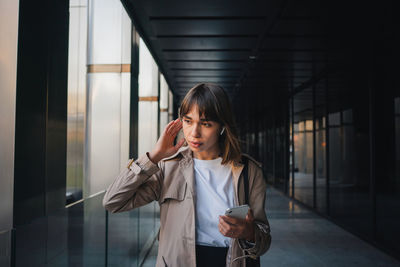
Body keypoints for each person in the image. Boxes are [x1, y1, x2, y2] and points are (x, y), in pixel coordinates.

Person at [103, 83, 271, 267]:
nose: (194, 133)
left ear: (222, 126)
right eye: (188, 121)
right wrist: (153, 157)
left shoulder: (248, 170)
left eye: (206, 124)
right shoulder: (168, 167)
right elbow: (113, 201)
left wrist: (249, 233)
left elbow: (263, 239)